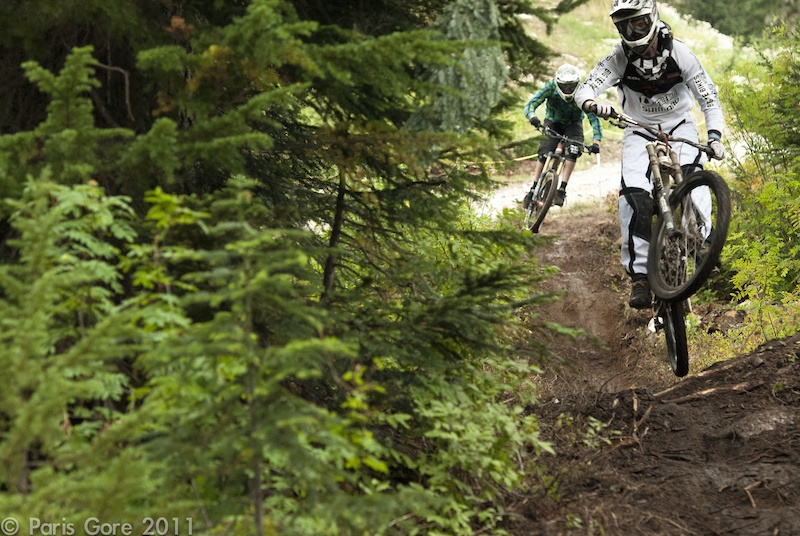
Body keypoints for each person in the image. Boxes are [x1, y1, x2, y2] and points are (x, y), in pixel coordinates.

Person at [575, 0, 726, 309]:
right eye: (625, 26)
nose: (632, 31)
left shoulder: (680, 54)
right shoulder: (618, 57)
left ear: (653, 19)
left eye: (639, 23)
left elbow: (708, 96)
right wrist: (593, 104)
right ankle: (641, 276)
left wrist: (715, 136)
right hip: (637, 129)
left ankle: (703, 243)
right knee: (633, 196)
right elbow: (584, 89)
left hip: (680, 127)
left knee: (695, 179)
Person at [523, 64, 602, 208]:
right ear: (558, 83)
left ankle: (561, 189)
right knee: (545, 150)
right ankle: (534, 187)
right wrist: (532, 117)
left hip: (573, 123)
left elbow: (594, 117)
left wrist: (596, 141)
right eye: (564, 86)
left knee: (573, 150)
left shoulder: (582, 92)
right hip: (553, 121)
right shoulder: (550, 87)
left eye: (571, 86)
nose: (568, 89)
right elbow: (531, 104)